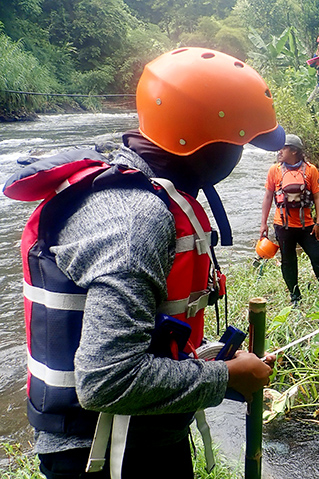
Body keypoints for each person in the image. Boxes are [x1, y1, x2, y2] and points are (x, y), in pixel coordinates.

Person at [3, 47, 280, 479]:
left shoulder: (137, 188)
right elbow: (108, 379)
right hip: (104, 456)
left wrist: (215, 364)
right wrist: (224, 378)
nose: (241, 155)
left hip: (133, 436)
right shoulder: (137, 219)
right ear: (205, 144)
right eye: (241, 143)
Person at [260, 134, 319, 306]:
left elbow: (317, 198)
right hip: (282, 225)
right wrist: (263, 223)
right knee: (288, 263)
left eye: (284, 148)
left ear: (294, 151)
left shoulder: (311, 170)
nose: (279, 151)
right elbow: (267, 197)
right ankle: (295, 297)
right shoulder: (275, 170)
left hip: (307, 227)